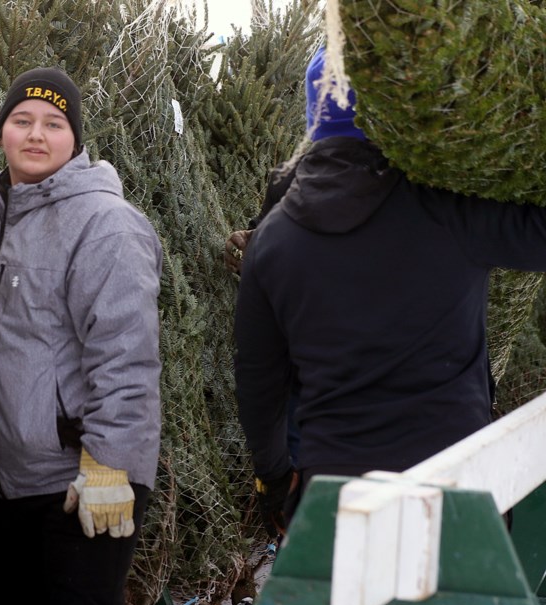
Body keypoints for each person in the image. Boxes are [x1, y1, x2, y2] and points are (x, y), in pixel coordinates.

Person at [233, 46, 546, 537]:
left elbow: (258, 378)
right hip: (450, 487)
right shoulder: (448, 209)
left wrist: (273, 475)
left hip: (334, 495)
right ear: (398, 113)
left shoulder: (273, 238)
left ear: (313, 117)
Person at [0, 67, 162, 605]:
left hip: (76, 477)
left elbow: (127, 357)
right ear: (2, 130)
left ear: (74, 141)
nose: (36, 134)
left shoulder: (106, 226)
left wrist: (111, 463)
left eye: (54, 124)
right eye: (22, 120)